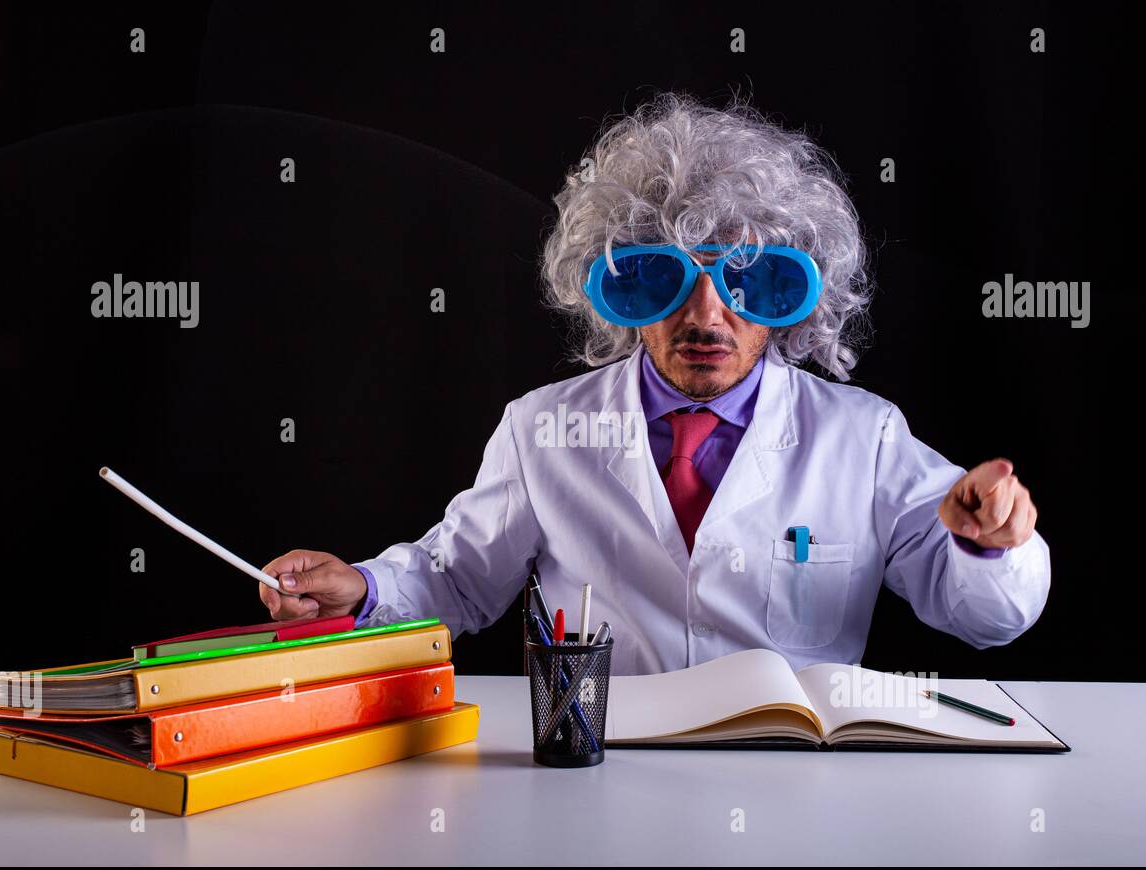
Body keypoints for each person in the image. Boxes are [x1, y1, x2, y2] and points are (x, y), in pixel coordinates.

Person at [258, 91, 1049, 675]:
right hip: (597, 778)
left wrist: (992, 545)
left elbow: (990, 618)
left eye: (750, 281)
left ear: (792, 300)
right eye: (662, 279)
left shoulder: (863, 437)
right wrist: (362, 593)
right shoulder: (542, 431)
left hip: (798, 789)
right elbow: (457, 579)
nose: (707, 315)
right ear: (615, 291)